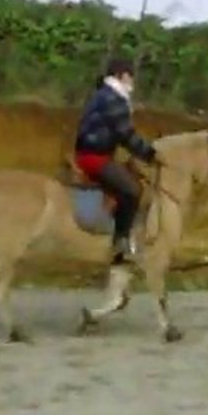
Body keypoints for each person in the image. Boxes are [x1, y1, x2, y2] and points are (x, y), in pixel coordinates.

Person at [74, 57, 160, 263]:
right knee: (132, 190)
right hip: (93, 156)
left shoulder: (104, 95)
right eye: (131, 76)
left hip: (95, 152)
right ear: (121, 75)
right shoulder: (113, 99)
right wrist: (150, 154)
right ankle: (120, 243)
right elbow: (125, 134)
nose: (133, 82)